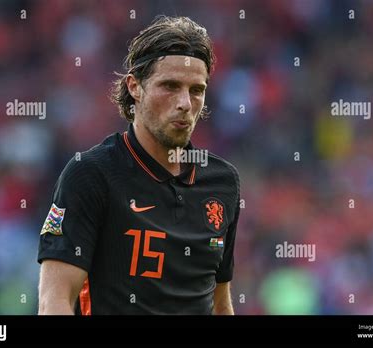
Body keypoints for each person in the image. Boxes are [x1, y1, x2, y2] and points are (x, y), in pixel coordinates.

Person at [37, 16, 241, 315]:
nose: (185, 102)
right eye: (170, 86)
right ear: (135, 87)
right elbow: (54, 302)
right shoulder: (91, 175)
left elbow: (220, 306)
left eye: (196, 90)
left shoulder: (223, 183)